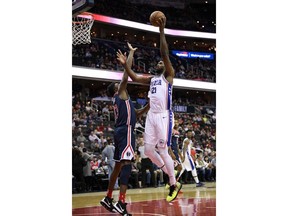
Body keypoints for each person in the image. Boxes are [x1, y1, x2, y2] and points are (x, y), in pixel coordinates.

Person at [116, 16, 181, 202]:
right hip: (151, 116)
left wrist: (161, 30)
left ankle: (173, 183)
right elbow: (134, 78)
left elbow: (164, 54)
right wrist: (125, 64)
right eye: (159, 63)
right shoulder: (152, 79)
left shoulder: (168, 76)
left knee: (163, 150)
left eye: (162, 63)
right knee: (149, 151)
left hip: (163, 116)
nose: (160, 63)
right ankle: (170, 173)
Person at [100, 42, 149, 216]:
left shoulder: (124, 100)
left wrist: (150, 104)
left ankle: (107, 197)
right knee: (128, 164)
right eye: (117, 84)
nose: (119, 83)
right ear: (115, 90)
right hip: (126, 131)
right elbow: (126, 76)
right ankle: (121, 202)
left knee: (119, 166)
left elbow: (137, 113)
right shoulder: (120, 92)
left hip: (121, 131)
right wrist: (130, 54)